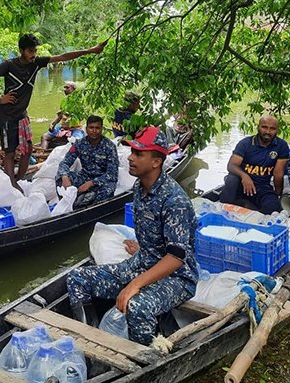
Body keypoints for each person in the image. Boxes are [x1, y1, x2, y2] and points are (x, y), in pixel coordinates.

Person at [66, 127, 198, 346]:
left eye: (138, 153)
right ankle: (90, 343)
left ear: (156, 162)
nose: (130, 157)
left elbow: (176, 257)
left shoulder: (175, 201)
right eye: (132, 151)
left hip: (178, 277)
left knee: (137, 305)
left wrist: (135, 284)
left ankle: (142, 360)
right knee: (76, 278)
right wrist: (145, 250)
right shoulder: (139, 187)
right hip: (143, 262)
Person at [0, 34, 107, 187]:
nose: (33, 55)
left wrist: (91, 50)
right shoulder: (9, 65)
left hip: (22, 115)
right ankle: (12, 185)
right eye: (30, 51)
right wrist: (0, 99)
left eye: (35, 51)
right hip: (7, 115)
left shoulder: (36, 63)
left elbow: (63, 57)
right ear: (21, 50)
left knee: (27, 150)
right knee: (10, 153)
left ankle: (17, 180)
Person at [218, 115, 289, 214]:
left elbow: (278, 174)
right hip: (241, 184)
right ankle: (223, 209)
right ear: (258, 127)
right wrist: (245, 176)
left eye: (272, 129)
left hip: (262, 187)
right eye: (264, 127)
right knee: (231, 179)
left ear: (277, 130)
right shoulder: (245, 144)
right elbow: (231, 165)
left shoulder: (281, 146)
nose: (267, 132)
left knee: (273, 209)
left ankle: (244, 205)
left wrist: (278, 196)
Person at [56, 115, 119, 207]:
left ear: (101, 129)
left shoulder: (109, 147)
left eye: (97, 128)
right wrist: (65, 177)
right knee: (60, 178)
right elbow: (65, 162)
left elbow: (112, 174)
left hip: (101, 181)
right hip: (84, 177)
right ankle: (66, 206)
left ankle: (87, 207)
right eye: (91, 127)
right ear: (86, 128)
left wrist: (91, 183)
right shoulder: (79, 144)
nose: (94, 131)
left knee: (107, 191)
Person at [41, 81, 84, 149]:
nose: (65, 89)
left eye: (67, 88)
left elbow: (81, 117)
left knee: (77, 142)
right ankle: (43, 152)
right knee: (44, 137)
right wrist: (52, 124)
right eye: (64, 87)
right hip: (62, 128)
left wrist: (69, 113)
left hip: (75, 129)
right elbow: (59, 116)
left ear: (74, 90)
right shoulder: (64, 101)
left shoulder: (79, 102)